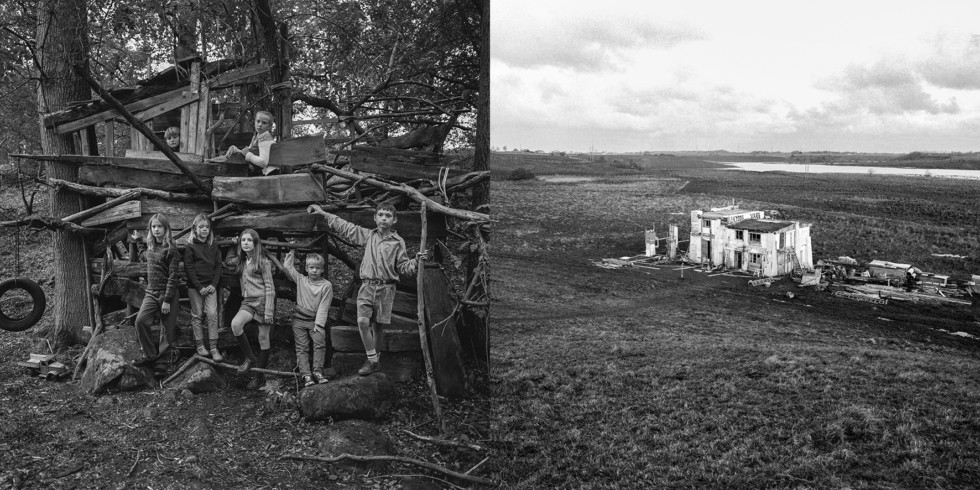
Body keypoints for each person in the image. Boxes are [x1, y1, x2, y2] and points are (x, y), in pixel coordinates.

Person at [307, 203, 423, 376]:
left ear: (394, 220)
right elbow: (346, 227)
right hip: (367, 286)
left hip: (386, 288)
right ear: (375, 218)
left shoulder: (398, 242)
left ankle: (374, 362)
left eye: (388, 215)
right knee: (362, 321)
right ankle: (372, 360)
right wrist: (324, 213)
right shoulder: (369, 236)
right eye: (381, 215)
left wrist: (415, 261)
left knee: (378, 327)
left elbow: (404, 267)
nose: (384, 218)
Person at [270, 250, 333, 387]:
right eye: (311, 268)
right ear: (306, 268)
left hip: (315, 320)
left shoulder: (326, 285)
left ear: (322, 269)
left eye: (317, 268)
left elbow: (324, 306)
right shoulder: (301, 279)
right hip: (299, 320)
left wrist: (319, 325)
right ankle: (306, 375)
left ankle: (317, 372)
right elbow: (288, 267)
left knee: (319, 342)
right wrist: (291, 252)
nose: (314, 270)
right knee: (302, 347)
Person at [227, 228, 276, 390]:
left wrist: (269, 311)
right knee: (236, 324)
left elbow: (270, 288)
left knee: (263, 338)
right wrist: (232, 246)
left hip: (262, 302)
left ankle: (259, 377)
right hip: (248, 302)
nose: (246, 243)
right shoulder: (241, 261)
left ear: (255, 244)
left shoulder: (263, 262)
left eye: (249, 240)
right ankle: (249, 358)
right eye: (243, 240)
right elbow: (227, 262)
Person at [134, 214, 180, 374]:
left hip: (168, 295)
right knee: (141, 321)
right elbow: (144, 256)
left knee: (166, 329)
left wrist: (167, 300)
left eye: (159, 226)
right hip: (151, 293)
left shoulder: (171, 249)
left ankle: (162, 362)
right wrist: (139, 241)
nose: (156, 229)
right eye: (153, 227)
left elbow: (173, 277)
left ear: (166, 228)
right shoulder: (151, 248)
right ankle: (150, 355)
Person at [183, 214, 223, 361]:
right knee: (197, 315)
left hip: (211, 287)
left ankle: (213, 347)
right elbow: (189, 268)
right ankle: (200, 345)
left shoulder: (213, 245)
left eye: (207, 227)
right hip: (195, 288)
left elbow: (219, 265)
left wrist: (213, 284)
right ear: (195, 228)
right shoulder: (190, 246)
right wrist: (199, 286)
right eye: (201, 227)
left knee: (212, 314)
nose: (204, 229)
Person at [225, 110, 277, 175]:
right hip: (261, 171)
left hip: (268, 173)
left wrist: (248, 154)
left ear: (269, 126)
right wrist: (235, 150)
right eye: (258, 121)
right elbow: (248, 152)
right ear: (254, 122)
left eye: (264, 123)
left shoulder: (265, 138)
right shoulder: (257, 136)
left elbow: (263, 162)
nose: (260, 124)